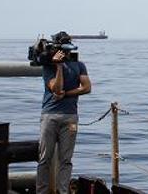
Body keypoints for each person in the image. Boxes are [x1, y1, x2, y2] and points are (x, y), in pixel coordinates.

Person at [36, 32, 90, 194]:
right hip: (50, 115)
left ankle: (63, 191)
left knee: (66, 160)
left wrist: (67, 94)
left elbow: (87, 87)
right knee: (45, 158)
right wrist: (58, 66)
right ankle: (42, 191)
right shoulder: (48, 66)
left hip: (70, 116)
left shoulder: (79, 64)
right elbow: (56, 88)